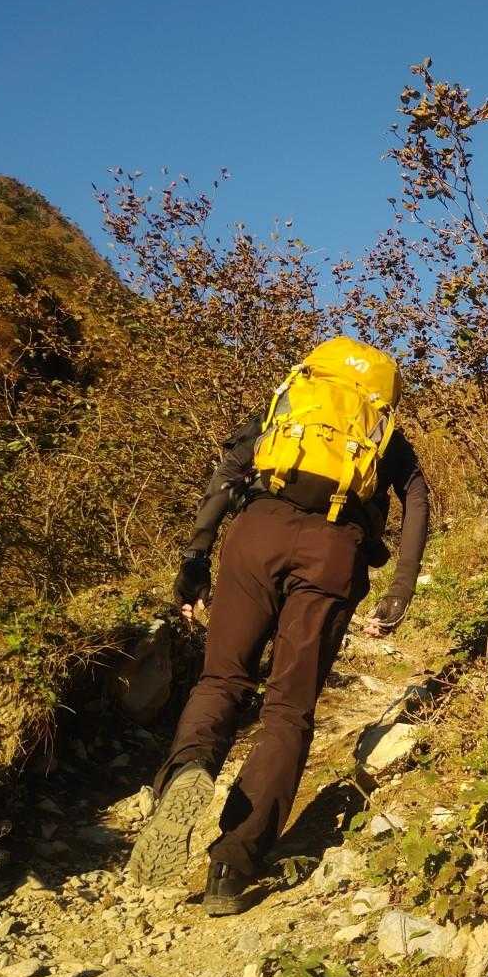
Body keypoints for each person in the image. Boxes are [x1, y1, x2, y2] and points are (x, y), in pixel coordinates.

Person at [127, 337, 430, 915]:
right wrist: (402, 587)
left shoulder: (285, 408)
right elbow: (417, 503)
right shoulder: (383, 434)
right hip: (333, 552)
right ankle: (232, 866)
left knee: (222, 679)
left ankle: (189, 768)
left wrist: (196, 556)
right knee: (289, 708)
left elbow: (228, 473)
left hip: (256, 536)